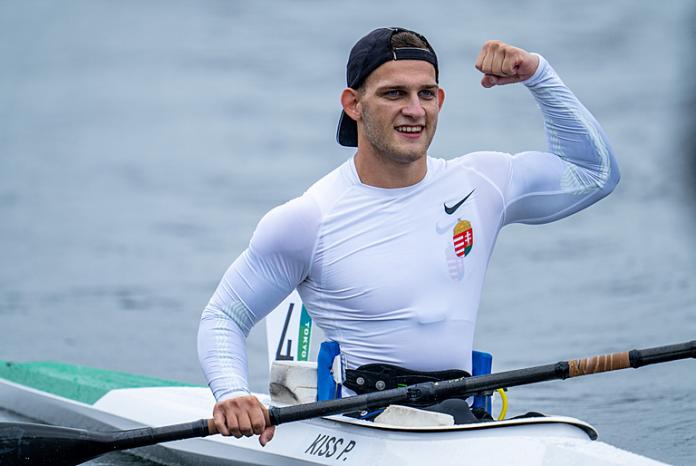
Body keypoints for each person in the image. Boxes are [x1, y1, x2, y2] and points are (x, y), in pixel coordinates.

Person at [197, 27, 619, 446]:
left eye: (427, 94)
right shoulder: (308, 218)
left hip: (462, 417)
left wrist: (538, 75)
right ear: (353, 104)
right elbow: (224, 317)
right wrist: (233, 394)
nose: (415, 110)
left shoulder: (483, 182)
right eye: (394, 94)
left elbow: (594, 174)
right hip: (363, 426)